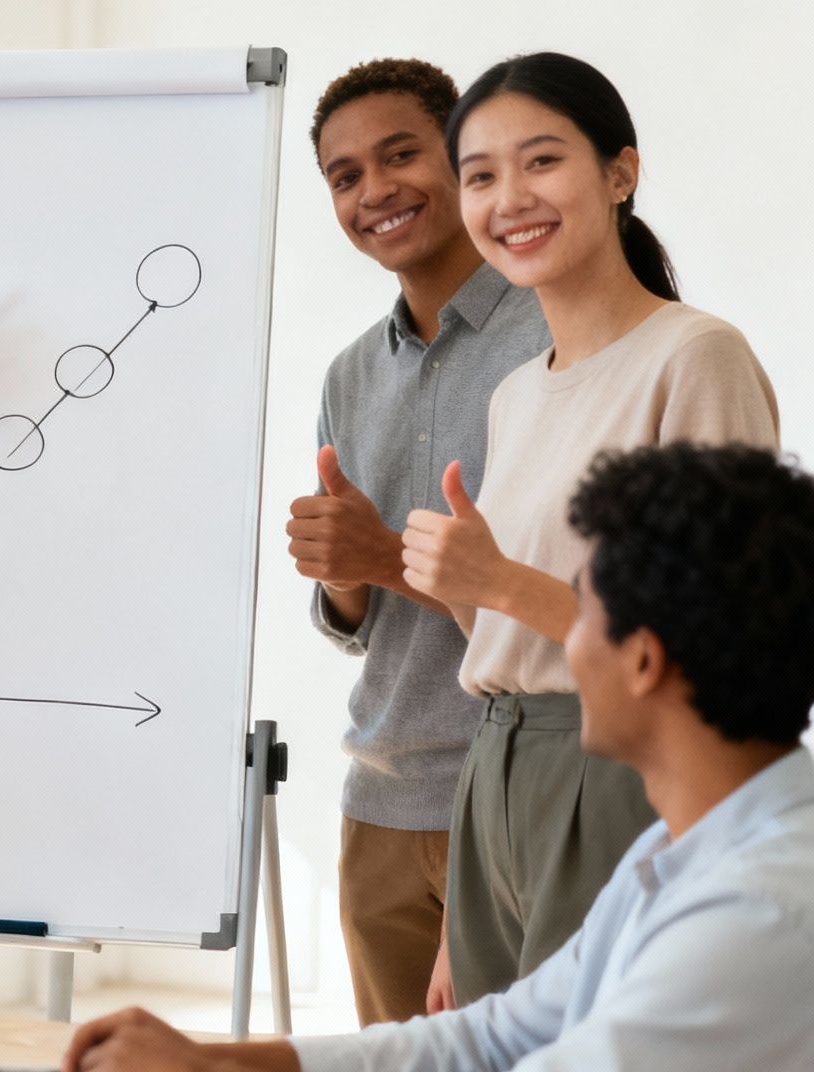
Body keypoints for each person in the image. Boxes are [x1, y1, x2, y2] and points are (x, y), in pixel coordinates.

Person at [64, 442, 814, 1071]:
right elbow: (498, 1034)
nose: (558, 642)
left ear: (643, 662)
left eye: (581, 610)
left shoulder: (758, 910)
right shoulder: (680, 851)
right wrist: (217, 1061)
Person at [396, 52, 778, 1005]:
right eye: (480, 175)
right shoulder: (517, 393)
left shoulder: (695, 357)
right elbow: (514, 644)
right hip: (498, 766)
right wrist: (462, 907)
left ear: (620, 173)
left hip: (621, 769)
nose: (508, 198)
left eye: (541, 162)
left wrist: (494, 583)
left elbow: (714, 644)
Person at [286, 58, 547, 1024]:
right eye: (345, 176)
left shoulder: (552, 335)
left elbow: (556, 610)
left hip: (519, 794)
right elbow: (358, 626)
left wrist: (377, 553)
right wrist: (341, 571)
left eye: (402, 154)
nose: (374, 191)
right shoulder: (351, 374)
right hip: (382, 804)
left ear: (463, 158)